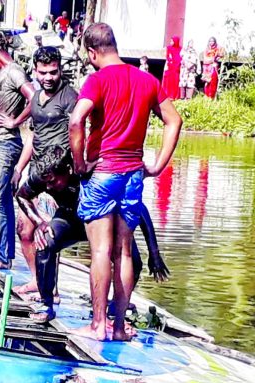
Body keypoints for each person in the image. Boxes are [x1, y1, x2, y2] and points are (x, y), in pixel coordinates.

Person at [69, 22, 182, 341]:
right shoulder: (147, 80)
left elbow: (76, 120)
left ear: (92, 52)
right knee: (125, 252)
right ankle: (118, 327)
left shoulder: (97, 80)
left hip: (103, 172)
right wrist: (158, 166)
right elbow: (174, 120)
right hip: (133, 176)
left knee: (101, 251)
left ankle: (98, 326)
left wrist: (79, 164)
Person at [18, 147, 167, 324]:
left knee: (133, 261)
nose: (49, 187)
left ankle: (116, 306)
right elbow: (22, 196)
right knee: (46, 242)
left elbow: (139, 209)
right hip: (71, 219)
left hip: (102, 221)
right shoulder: (43, 176)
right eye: (46, 184)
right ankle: (46, 304)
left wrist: (154, 253)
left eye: (53, 182)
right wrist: (39, 222)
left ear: (68, 169)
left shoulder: (90, 173)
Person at [11, 46, 78, 293]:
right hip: (36, 173)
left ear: (60, 69)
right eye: (43, 72)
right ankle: (38, 281)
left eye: (53, 72)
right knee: (24, 229)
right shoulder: (37, 96)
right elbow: (33, 136)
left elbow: (79, 131)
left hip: (57, 174)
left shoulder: (69, 97)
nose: (48, 77)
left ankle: (51, 291)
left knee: (48, 232)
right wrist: (19, 167)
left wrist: (76, 164)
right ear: (35, 71)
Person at [0, 29, 35, 270]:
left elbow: (35, 98)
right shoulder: (5, 72)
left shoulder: (13, 72)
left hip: (7, 143)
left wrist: (16, 121)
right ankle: (4, 254)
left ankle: (2, 255)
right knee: (1, 200)